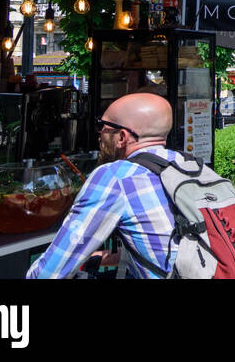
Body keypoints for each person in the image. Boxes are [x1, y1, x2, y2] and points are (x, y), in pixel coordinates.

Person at [27, 93, 178, 278]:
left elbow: (51, 272)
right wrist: (117, 257)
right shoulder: (191, 166)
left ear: (122, 136)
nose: (99, 134)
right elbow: (173, 242)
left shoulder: (116, 176)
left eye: (103, 126)